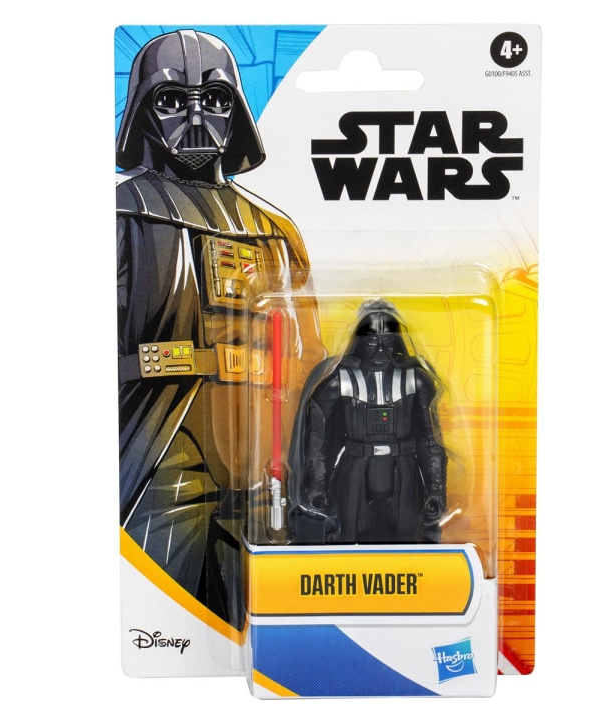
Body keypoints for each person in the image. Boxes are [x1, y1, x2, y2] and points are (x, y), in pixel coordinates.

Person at [116, 30, 323, 628]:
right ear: (143, 111)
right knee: (166, 589)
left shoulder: (274, 229)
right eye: (171, 100)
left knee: (254, 596)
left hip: (264, 436)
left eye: (213, 100)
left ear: (236, 112)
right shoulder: (124, 213)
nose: (195, 119)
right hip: (169, 428)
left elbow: (309, 350)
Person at [289, 300, 448, 544]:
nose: (380, 351)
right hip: (354, 472)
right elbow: (319, 440)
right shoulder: (338, 381)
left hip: (404, 472)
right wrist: (317, 484)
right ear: (360, 341)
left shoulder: (416, 380)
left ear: (397, 342)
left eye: (387, 342)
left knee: (408, 541)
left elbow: (431, 441)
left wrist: (436, 489)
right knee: (346, 540)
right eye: (373, 342)